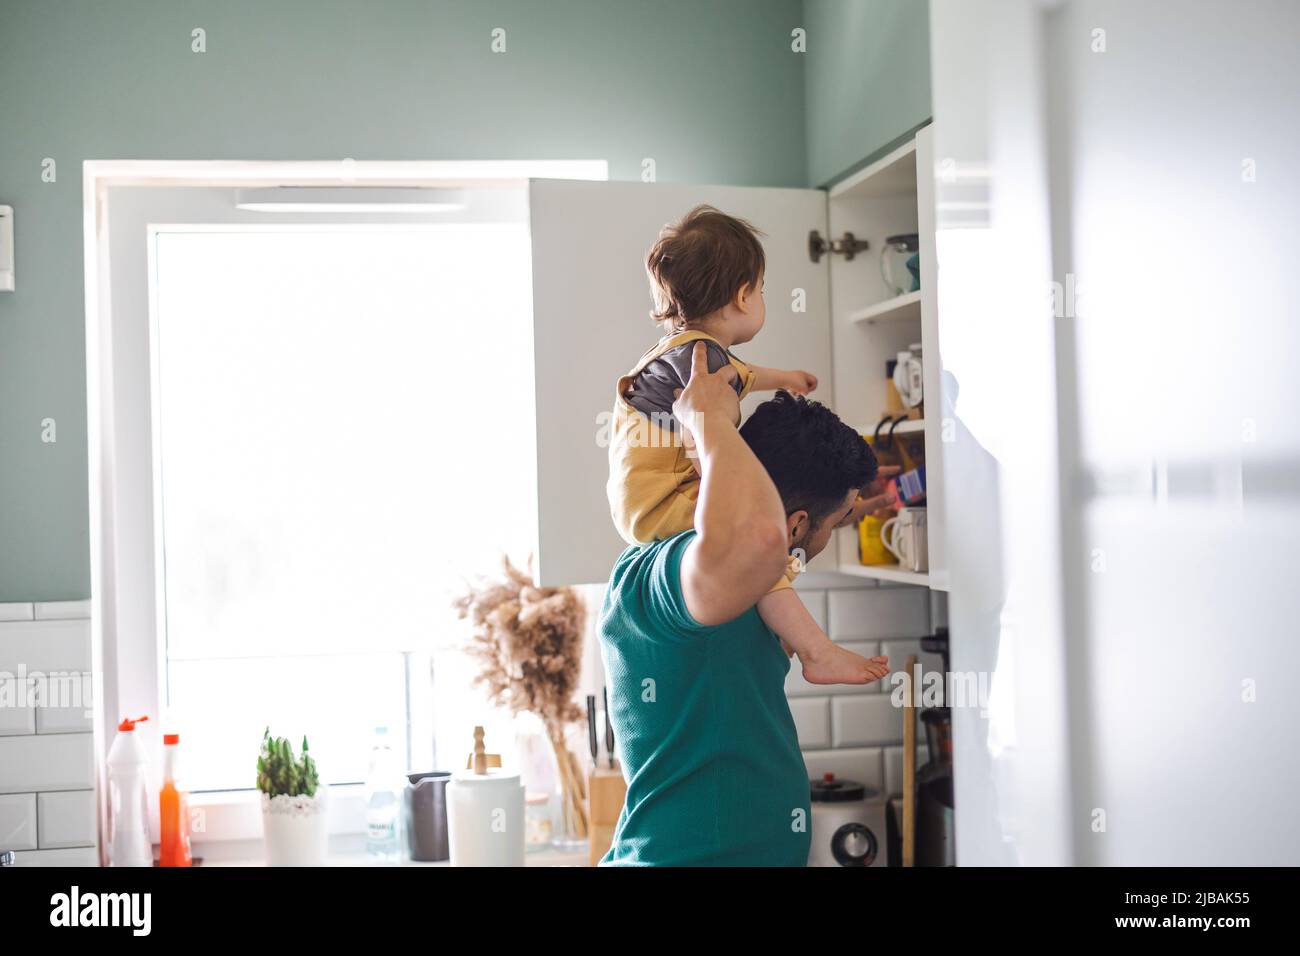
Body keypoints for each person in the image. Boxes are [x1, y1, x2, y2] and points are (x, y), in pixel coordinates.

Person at [598, 344, 889, 866]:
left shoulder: (753, 584)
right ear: (796, 525)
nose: (831, 535)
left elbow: (770, 557)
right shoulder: (661, 571)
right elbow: (757, 543)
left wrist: (862, 502)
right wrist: (709, 424)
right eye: (837, 522)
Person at [607, 204, 887, 684]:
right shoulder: (697, 360)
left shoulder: (687, 351)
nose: (761, 299)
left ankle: (807, 642)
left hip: (641, 500)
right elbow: (702, 431)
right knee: (765, 562)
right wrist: (719, 468)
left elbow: (743, 376)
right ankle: (815, 651)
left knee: (765, 559)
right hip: (664, 500)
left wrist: (787, 378)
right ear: (742, 295)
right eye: (761, 290)